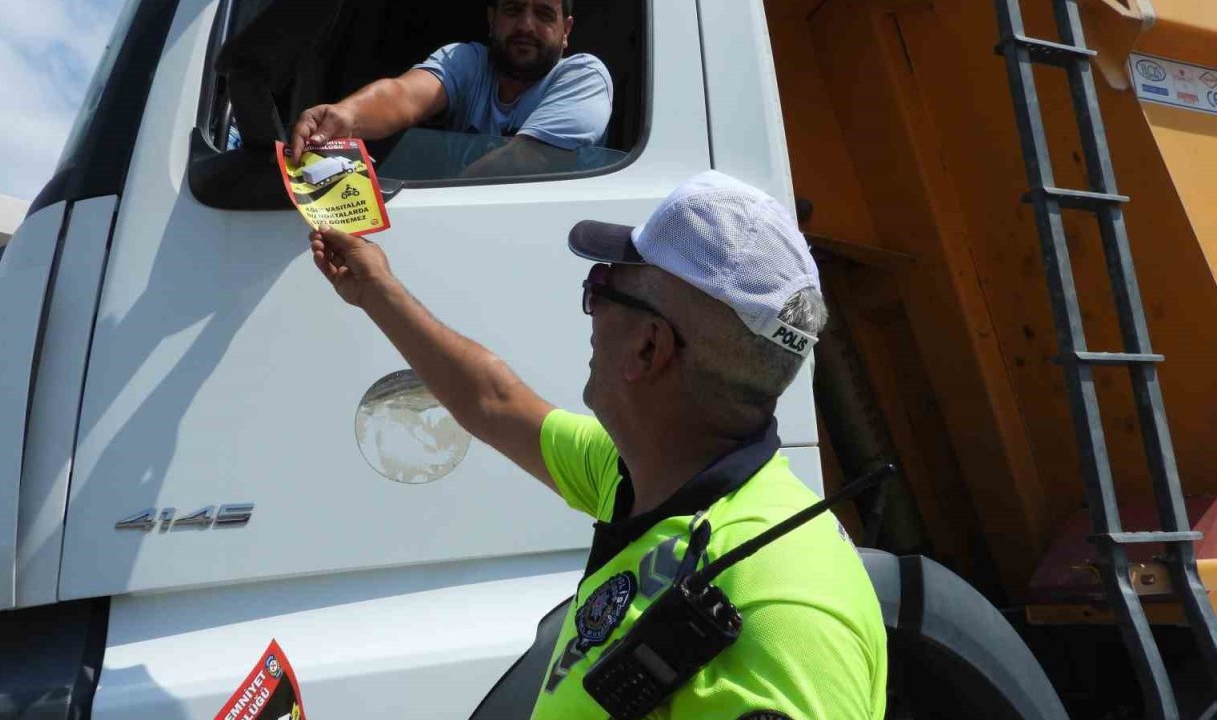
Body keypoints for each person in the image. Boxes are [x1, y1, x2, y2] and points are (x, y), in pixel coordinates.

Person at [307, 171, 887, 719]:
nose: (589, 311)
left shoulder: (784, 617)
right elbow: (495, 402)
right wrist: (376, 290)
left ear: (648, 348)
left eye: (602, 286)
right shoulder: (644, 475)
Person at [289, 0, 613, 177]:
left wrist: (437, 195)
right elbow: (402, 96)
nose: (526, 25)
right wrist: (345, 116)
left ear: (566, 30)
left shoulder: (583, 76)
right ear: (492, 19)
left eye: (543, 14)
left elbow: (527, 160)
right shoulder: (467, 60)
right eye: (513, 10)